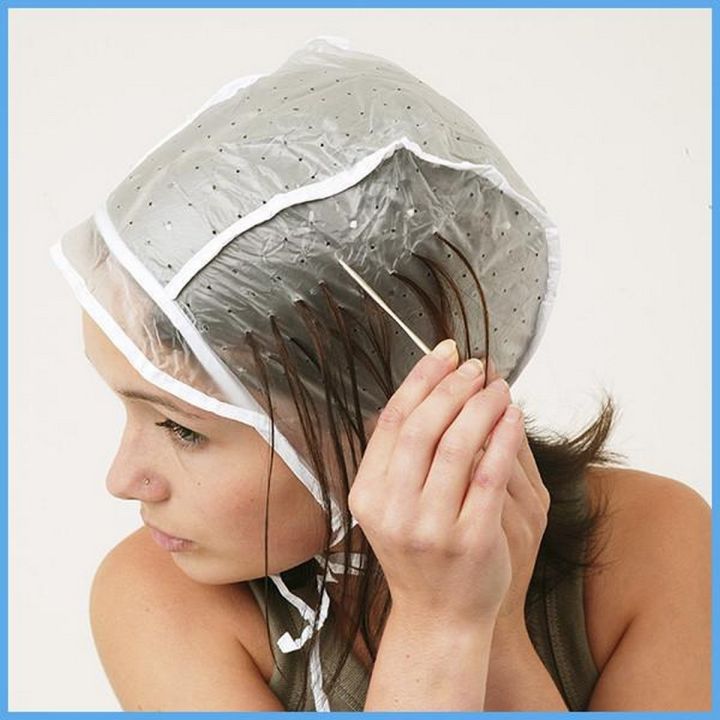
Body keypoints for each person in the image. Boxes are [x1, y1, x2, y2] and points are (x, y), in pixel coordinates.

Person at [54, 38, 710, 711]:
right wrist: (438, 624)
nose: (122, 480)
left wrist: (481, 625)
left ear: (387, 405)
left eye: (181, 428)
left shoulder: (652, 541)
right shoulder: (157, 600)